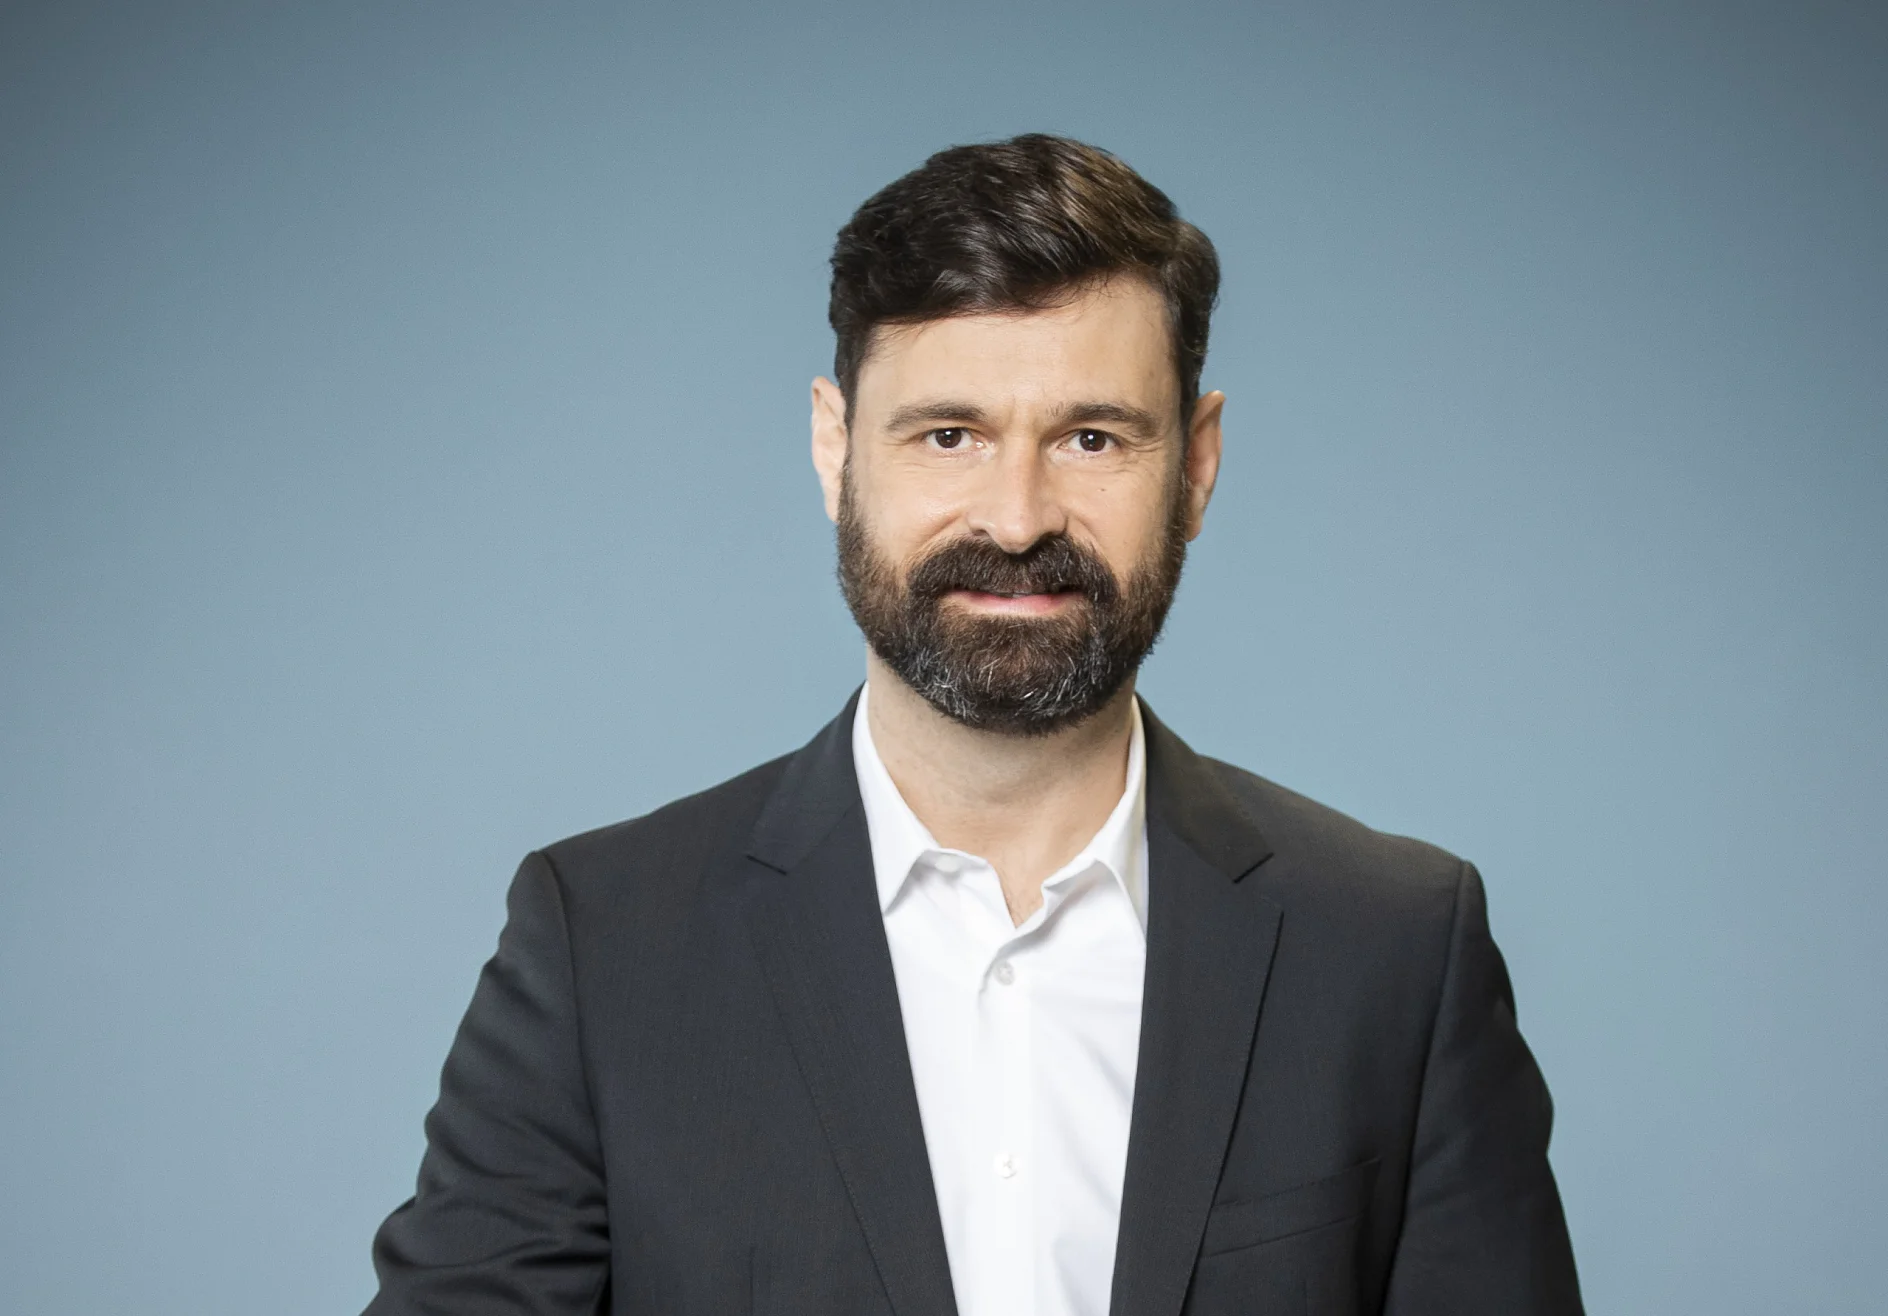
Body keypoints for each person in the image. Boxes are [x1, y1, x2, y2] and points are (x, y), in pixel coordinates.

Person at [364, 133, 1583, 1316]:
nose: (1014, 516)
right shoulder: (601, 947)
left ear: (1196, 466)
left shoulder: (1394, 949)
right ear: (835, 451)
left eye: (1091, 437)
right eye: (948, 434)